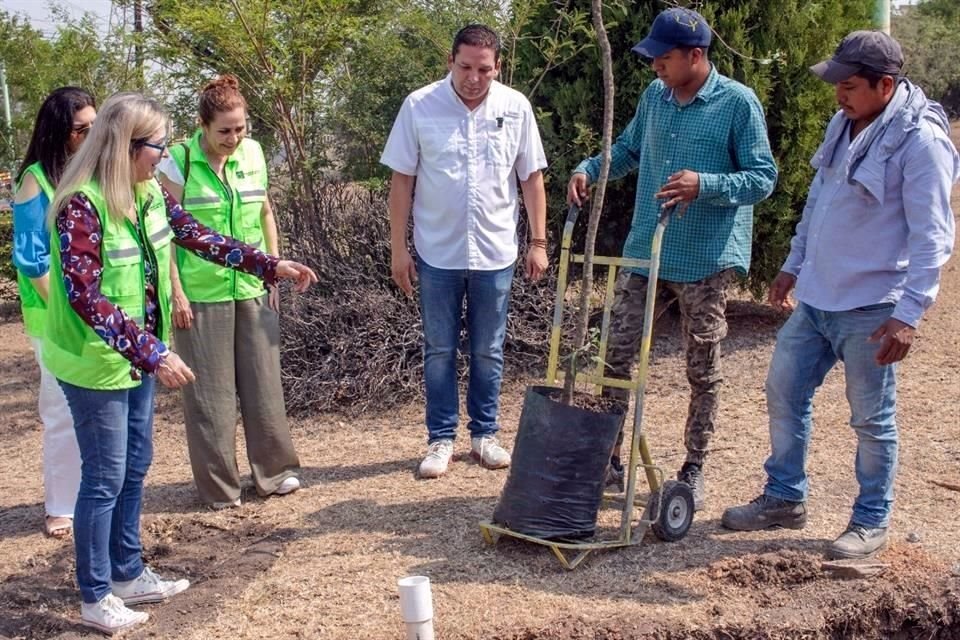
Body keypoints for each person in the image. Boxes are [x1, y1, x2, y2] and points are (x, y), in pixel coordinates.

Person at [45, 92, 317, 633]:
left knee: (135, 466)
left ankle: (127, 572)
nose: (163, 156)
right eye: (157, 146)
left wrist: (270, 263)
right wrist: (154, 351)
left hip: (137, 358)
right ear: (126, 146)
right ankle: (95, 595)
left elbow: (199, 236)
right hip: (94, 361)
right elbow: (84, 295)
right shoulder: (81, 204)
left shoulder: (147, 193)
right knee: (104, 477)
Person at [721, 31, 957, 559]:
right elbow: (819, 202)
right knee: (784, 392)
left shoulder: (921, 143)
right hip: (817, 300)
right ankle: (785, 497)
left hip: (872, 308)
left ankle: (870, 521)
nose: (838, 96)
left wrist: (909, 314)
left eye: (849, 86)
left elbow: (933, 237)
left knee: (871, 419)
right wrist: (791, 265)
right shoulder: (845, 124)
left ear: (886, 85)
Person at [566, 7, 777, 509]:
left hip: (705, 256)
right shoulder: (654, 97)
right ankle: (610, 460)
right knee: (615, 356)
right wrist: (591, 168)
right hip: (647, 251)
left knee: (701, 366)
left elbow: (762, 178)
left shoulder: (737, 104)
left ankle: (693, 466)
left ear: (696, 56)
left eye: (664, 57)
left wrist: (704, 185)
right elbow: (630, 149)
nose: (655, 65)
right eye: (653, 57)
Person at [381, 24, 549, 479]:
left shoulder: (515, 108)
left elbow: (531, 178)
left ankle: (485, 435)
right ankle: (440, 439)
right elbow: (402, 181)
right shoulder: (419, 106)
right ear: (450, 62)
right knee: (438, 349)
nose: (474, 77)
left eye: (484, 69)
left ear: (497, 67)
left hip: (496, 251)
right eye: (465, 67)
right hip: (437, 252)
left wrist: (538, 242)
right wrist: (399, 249)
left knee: (489, 349)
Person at [157, 75, 301, 509]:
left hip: (253, 286)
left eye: (240, 129)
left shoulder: (254, 153)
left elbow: (266, 212)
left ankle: (275, 474)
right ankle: (220, 489)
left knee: (264, 385)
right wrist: (176, 291)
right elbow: (164, 231)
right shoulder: (177, 161)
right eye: (224, 131)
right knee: (210, 396)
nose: (234, 139)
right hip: (200, 294)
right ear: (202, 125)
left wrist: (272, 270)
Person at [12, 87, 96, 538]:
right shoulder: (35, 180)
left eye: (95, 127)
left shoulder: (92, 174)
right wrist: (70, 309)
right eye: (82, 129)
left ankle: (96, 495)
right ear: (59, 132)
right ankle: (61, 504)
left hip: (95, 313)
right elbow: (30, 259)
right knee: (61, 409)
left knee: (99, 410)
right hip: (53, 316)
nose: (91, 135)